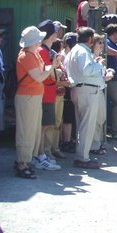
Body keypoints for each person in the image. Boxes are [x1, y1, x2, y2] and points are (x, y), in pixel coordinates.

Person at [14, 26, 60, 178]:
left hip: (33, 96)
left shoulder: (32, 54)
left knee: (32, 131)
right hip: (27, 97)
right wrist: (52, 66)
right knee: (26, 131)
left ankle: (25, 161)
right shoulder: (26, 56)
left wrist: (52, 64)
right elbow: (40, 77)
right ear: (34, 41)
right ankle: (22, 163)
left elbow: (41, 71)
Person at [65, 27, 105, 169]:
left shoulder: (74, 50)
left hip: (78, 88)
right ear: (89, 39)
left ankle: (81, 155)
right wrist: (98, 65)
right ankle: (82, 158)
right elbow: (87, 70)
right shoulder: (83, 51)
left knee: (81, 125)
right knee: (87, 126)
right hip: (87, 90)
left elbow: (66, 66)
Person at [34, 20, 64, 171]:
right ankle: (39, 156)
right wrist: (56, 72)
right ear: (51, 34)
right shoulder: (42, 51)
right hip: (45, 93)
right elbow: (47, 75)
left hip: (49, 93)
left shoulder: (46, 50)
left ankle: (42, 155)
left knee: (45, 126)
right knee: (43, 127)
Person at [59, 32, 78, 154]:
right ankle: (66, 141)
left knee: (70, 116)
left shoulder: (67, 54)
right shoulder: (63, 55)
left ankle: (69, 139)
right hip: (65, 88)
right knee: (67, 116)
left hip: (70, 87)